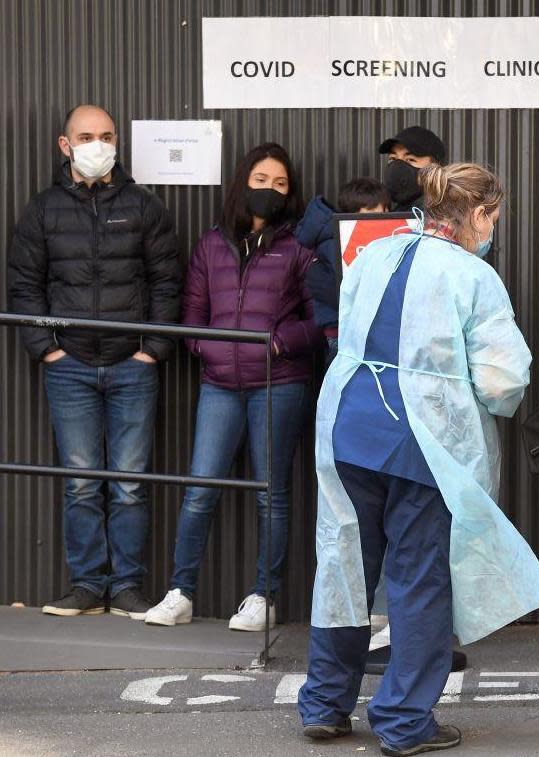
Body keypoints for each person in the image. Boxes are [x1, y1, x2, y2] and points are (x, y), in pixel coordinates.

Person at [297, 163, 539, 755]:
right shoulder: (474, 275)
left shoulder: (375, 253)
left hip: (346, 425)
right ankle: (404, 720)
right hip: (424, 441)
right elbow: (502, 379)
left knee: (343, 566)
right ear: (483, 213)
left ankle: (324, 704)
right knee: (419, 580)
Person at [7, 104, 180, 620]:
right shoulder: (42, 209)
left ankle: (126, 587)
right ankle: (86, 585)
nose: (97, 144)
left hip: (133, 365)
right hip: (71, 366)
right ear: (65, 145)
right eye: (86, 136)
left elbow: (167, 281)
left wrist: (154, 349)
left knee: (129, 482)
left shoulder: (145, 206)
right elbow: (24, 285)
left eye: (106, 135)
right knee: (81, 482)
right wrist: (47, 349)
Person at [144, 143, 322, 631]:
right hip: (219, 385)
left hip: (278, 385)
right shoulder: (212, 244)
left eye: (281, 184)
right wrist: (213, 350)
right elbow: (192, 319)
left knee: (271, 493)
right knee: (201, 488)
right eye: (261, 180)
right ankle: (180, 593)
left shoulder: (300, 247)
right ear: (244, 182)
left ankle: (264, 597)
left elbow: (321, 322)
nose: (270, 190)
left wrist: (280, 344)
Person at [297, 177, 392, 362]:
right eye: (373, 214)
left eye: (386, 212)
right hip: (342, 335)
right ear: (350, 215)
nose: (382, 220)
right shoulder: (335, 243)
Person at [379, 125, 447, 211]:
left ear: (435, 166)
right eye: (393, 158)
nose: (397, 166)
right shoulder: (390, 208)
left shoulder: (445, 214)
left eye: (410, 159)